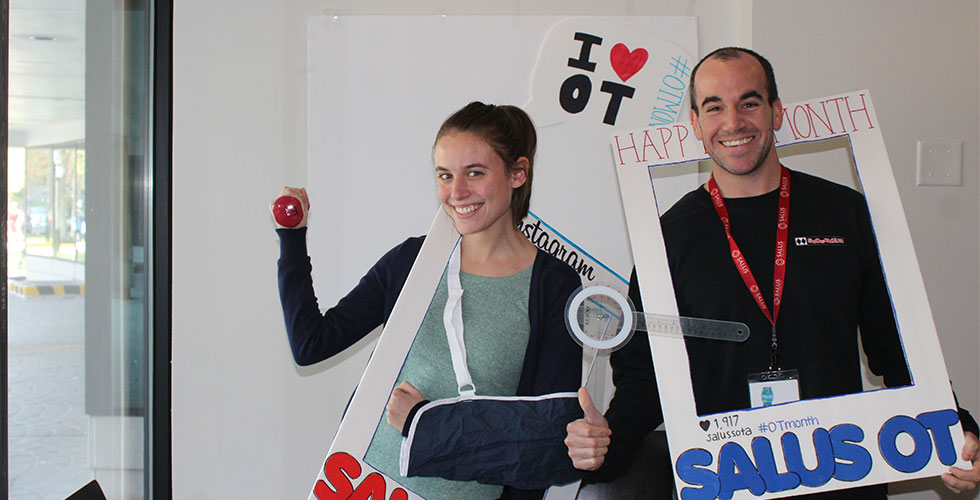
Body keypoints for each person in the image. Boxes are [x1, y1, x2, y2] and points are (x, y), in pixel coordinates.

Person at [565, 47, 980, 498]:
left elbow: (897, 347)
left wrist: (959, 431)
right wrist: (606, 441)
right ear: (696, 125)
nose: (733, 122)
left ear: (776, 112)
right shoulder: (667, 237)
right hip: (724, 479)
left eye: (749, 102)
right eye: (714, 107)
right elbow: (647, 377)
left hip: (840, 471)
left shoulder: (845, 212)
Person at [274, 102, 583, 500]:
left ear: (518, 173)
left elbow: (542, 440)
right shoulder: (412, 261)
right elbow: (310, 344)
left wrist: (426, 421)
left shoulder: (554, 286)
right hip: (361, 484)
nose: (457, 193)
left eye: (475, 173)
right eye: (445, 175)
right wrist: (292, 237)